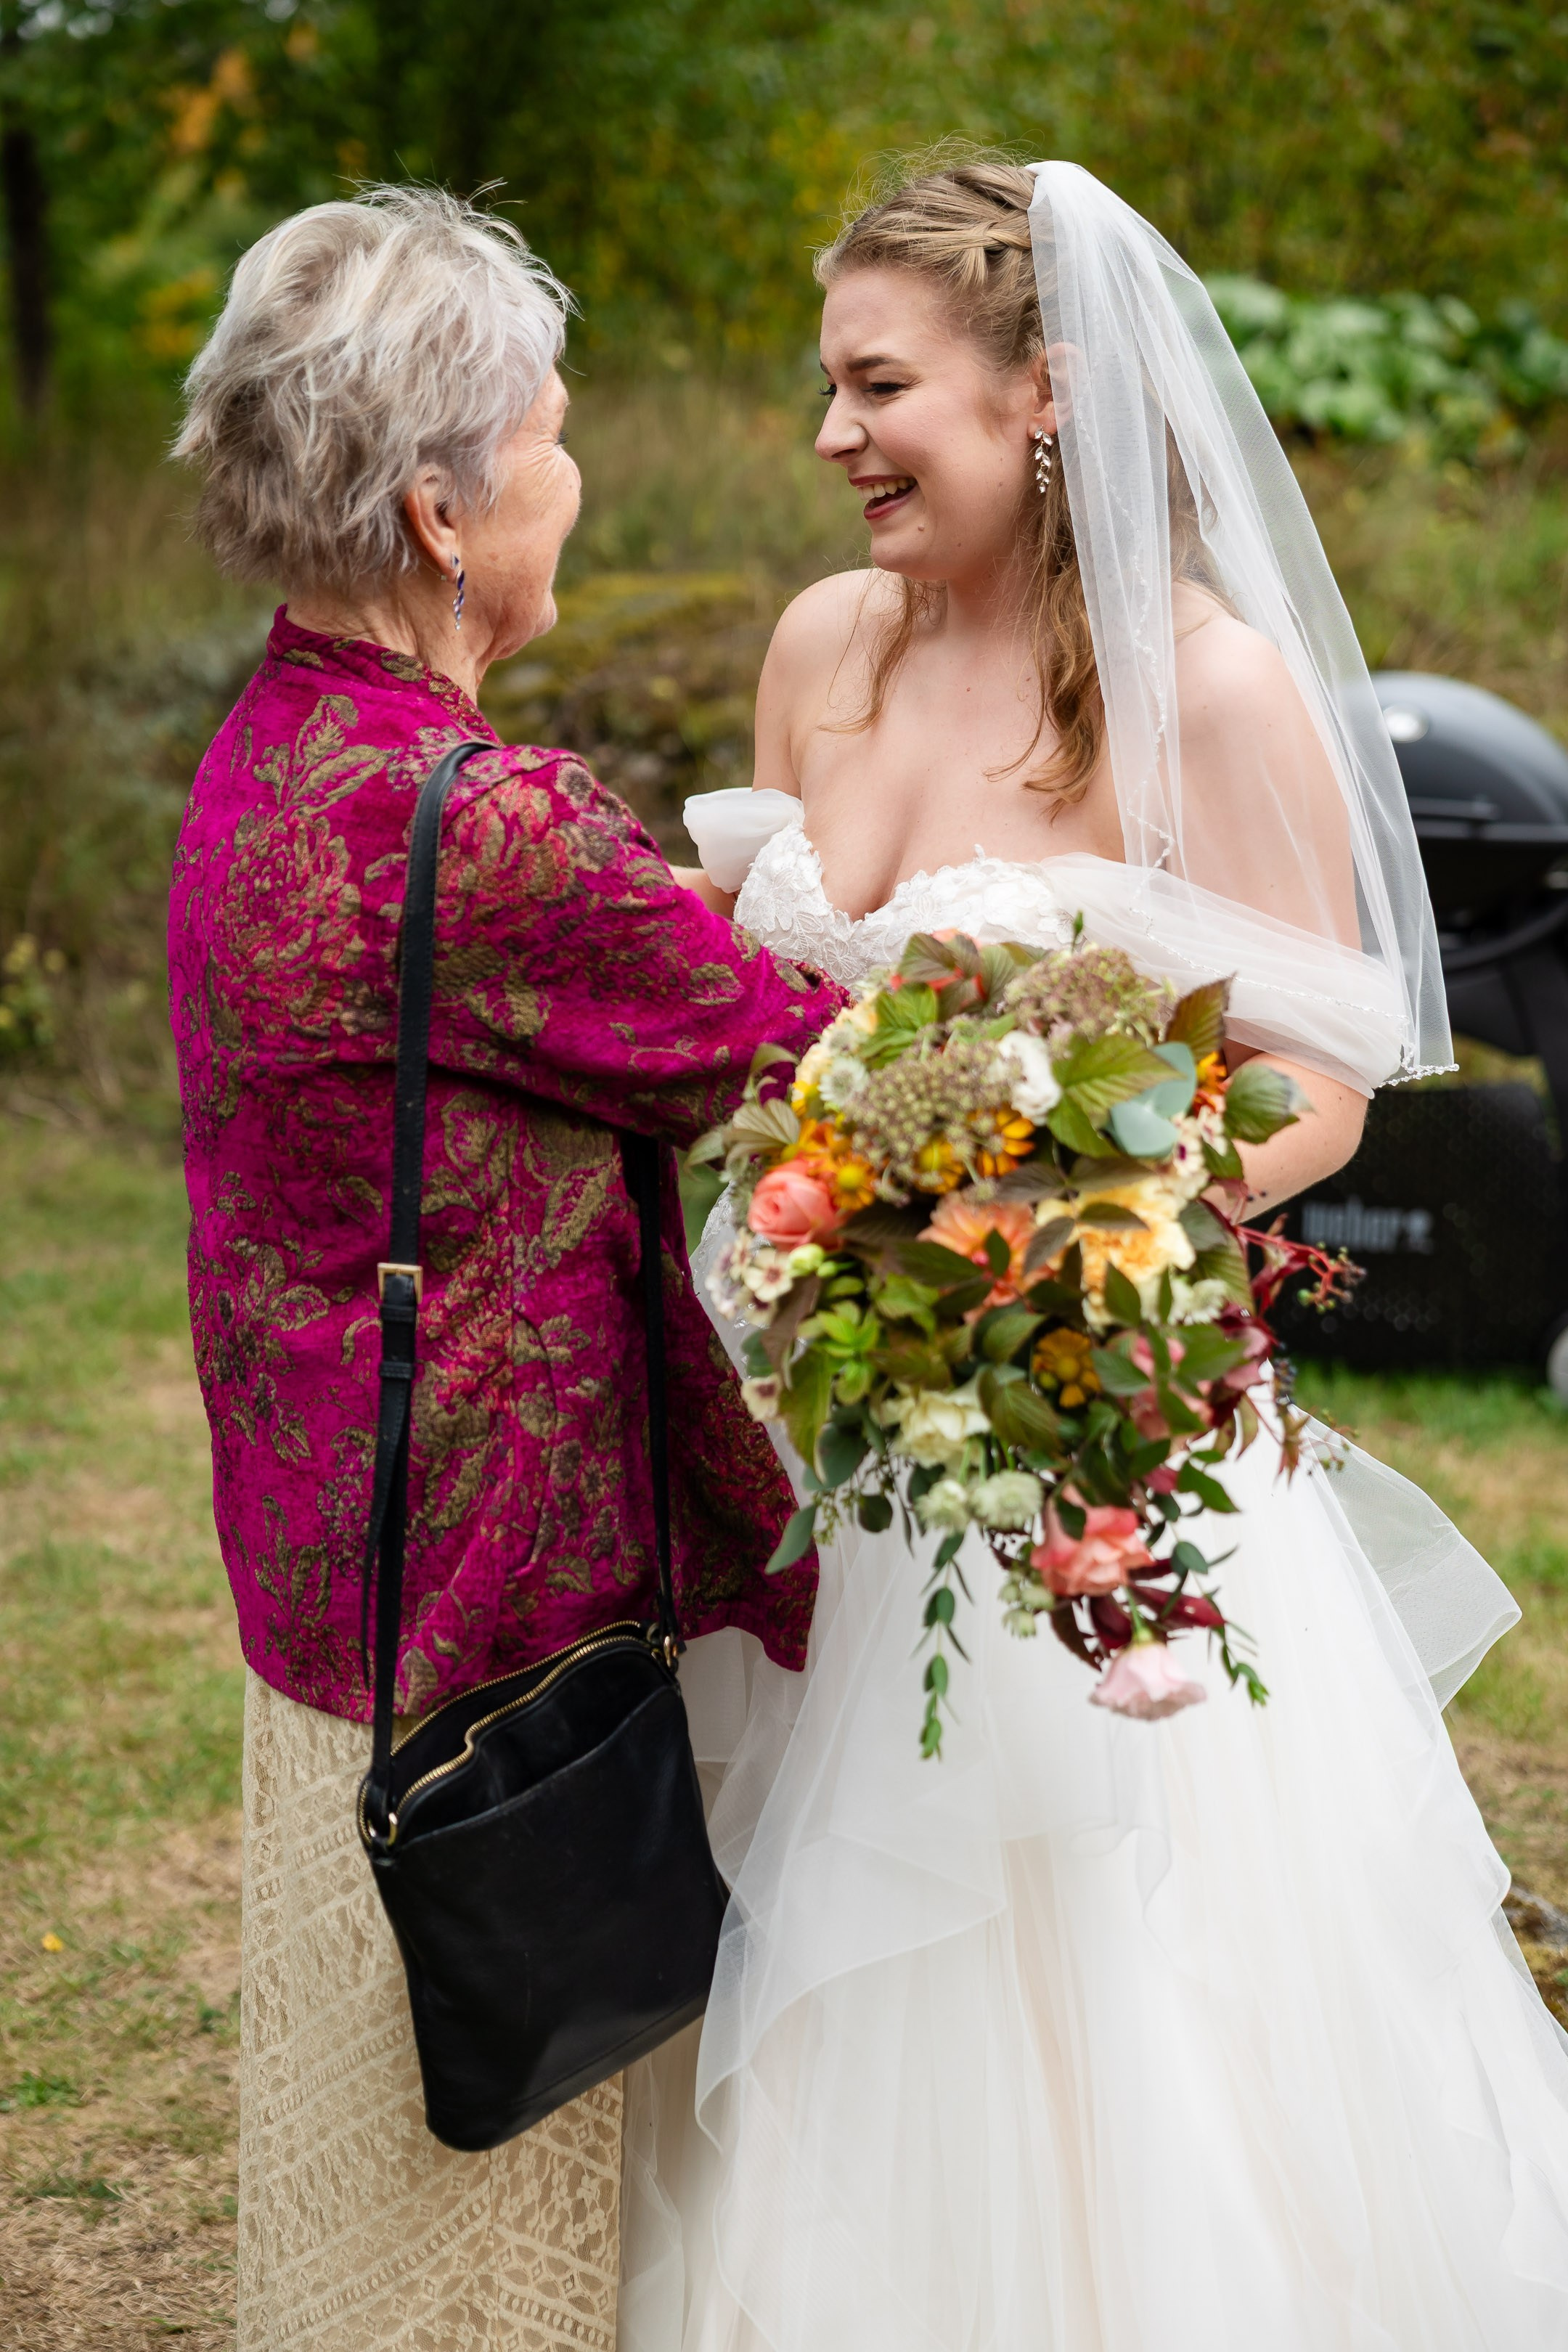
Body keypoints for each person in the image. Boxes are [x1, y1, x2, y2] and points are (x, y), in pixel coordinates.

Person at [628, 157, 1568, 2349]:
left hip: (1092, 1442)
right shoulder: (820, 647)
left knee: (1130, 1983)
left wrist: (1061, 1231)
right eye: (825, 389)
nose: (835, 436)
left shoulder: (1208, 695)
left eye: (883, 387)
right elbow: (753, 1029)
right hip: (817, 1444)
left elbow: (1320, 1083)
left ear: (1044, 393)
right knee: (827, 1960)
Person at [167, 185, 842, 2352]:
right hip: (489, 1634)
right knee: (488, 2218)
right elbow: (783, 1059)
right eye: (552, 439)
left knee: (367, 2157)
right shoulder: (486, 822)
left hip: (324, 1580)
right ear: (446, 510)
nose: (580, 478)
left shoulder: (269, 755)